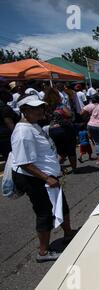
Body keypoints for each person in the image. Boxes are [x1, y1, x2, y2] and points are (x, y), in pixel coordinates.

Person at [11, 94, 76, 262]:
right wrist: (46, 178)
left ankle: (68, 233)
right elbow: (25, 162)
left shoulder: (33, 124)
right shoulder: (23, 132)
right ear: (24, 110)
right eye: (34, 108)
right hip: (36, 179)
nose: (40, 110)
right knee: (44, 212)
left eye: (41, 107)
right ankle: (43, 252)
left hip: (47, 175)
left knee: (61, 204)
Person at [0, 82, 19, 159]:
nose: (10, 93)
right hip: (6, 138)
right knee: (11, 159)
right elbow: (10, 124)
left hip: (3, 137)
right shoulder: (5, 108)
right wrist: (17, 137)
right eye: (7, 92)